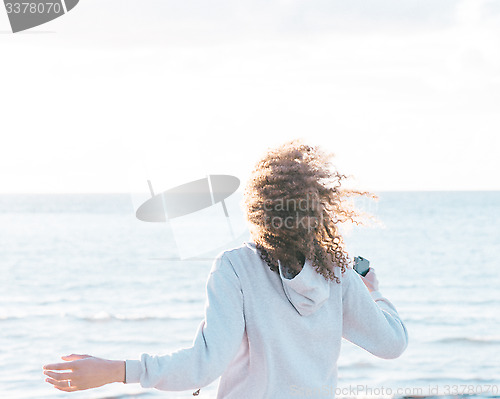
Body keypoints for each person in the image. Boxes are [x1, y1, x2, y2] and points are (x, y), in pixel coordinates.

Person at [43, 140, 408, 398]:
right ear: (319, 210)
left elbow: (204, 366)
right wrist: (374, 293)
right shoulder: (338, 272)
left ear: (258, 209)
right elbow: (392, 343)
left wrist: (114, 370)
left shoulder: (236, 267)